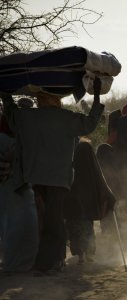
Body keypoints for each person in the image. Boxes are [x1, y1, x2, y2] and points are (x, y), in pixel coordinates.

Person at [0, 78, 104, 273]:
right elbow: (90, 123)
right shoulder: (66, 118)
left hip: (36, 177)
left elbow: (11, 115)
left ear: (39, 99)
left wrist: (5, 92)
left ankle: (53, 260)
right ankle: (48, 263)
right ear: (57, 100)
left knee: (47, 218)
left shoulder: (28, 117)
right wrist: (96, 95)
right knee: (53, 219)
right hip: (59, 179)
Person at [65, 141, 115, 264]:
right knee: (87, 229)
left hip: (73, 207)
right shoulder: (93, 169)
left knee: (75, 230)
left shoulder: (71, 167)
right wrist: (110, 198)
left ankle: (80, 255)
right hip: (87, 208)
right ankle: (89, 254)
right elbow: (102, 185)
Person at [0, 133, 38, 273]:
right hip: (14, 188)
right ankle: (15, 265)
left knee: (11, 228)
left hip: (13, 187)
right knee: (16, 228)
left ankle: (14, 263)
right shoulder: (6, 139)